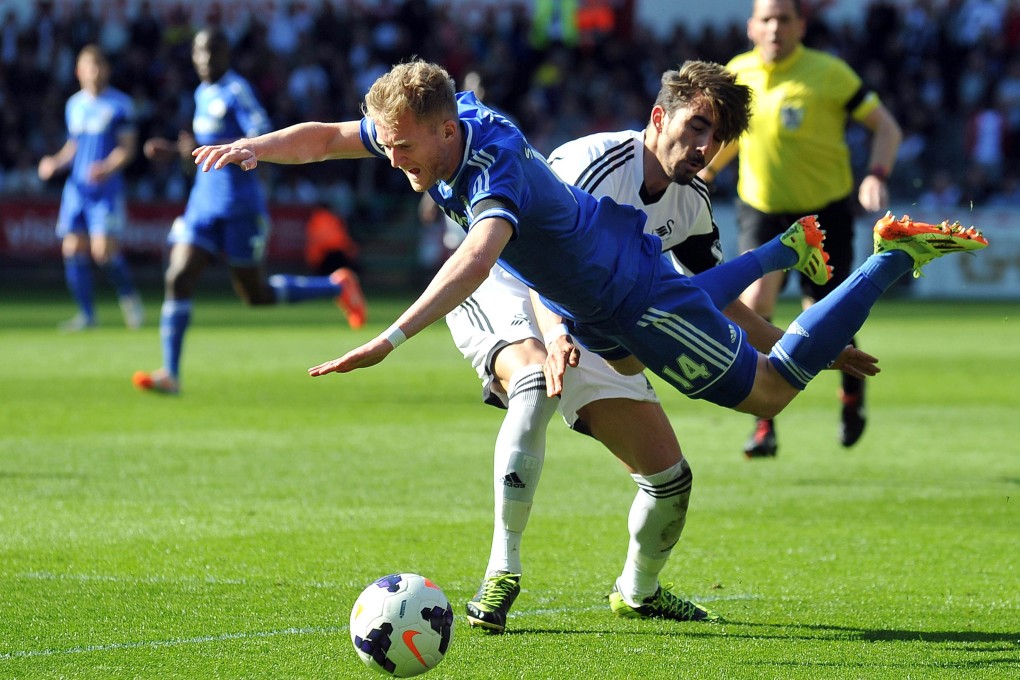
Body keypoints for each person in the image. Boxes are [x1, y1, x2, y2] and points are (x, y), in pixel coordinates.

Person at [192, 59, 986, 623]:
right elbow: (335, 135)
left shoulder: (494, 167)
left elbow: (480, 258)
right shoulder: (441, 128)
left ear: (441, 128)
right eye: (388, 144)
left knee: (770, 389)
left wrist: (394, 338)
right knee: (590, 370)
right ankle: (518, 571)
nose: (391, 158)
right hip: (599, 297)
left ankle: (888, 256)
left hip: (622, 298)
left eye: (401, 147)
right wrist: (258, 147)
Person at [444, 62, 878, 633]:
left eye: (718, 138)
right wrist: (553, 337)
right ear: (658, 117)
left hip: (600, 319)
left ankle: (638, 591)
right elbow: (546, 265)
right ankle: (502, 571)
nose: (705, 146)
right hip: (512, 291)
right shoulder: (593, 164)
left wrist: (816, 348)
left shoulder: (690, 203)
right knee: (533, 389)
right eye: (697, 127)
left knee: (670, 481)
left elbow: (717, 301)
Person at [701, 0, 904, 458]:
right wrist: (705, 175)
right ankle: (762, 423)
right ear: (752, 26)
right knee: (755, 310)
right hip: (762, 212)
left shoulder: (830, 73)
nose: (775, 28)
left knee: (828, 317)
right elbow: (729, 139)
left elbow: (887, 128)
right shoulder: (737, 73)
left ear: (801, 26)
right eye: (766, 19)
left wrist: (876, 173)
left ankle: (851, 396)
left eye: (784, 19)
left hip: (823, 215)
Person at [132, 28, 366, 396]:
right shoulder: (201, 93)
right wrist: (183, 152)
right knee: (177, 278)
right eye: (199, 53)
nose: (206, 60)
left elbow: (259, 134)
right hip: (203, 205)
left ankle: (336, 285)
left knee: (254, 295)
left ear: (226, 55)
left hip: (240, 207)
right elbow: (207, 152)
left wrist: (234, 149)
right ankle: (170, 374)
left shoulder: (236, 91)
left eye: (213, 52)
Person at [37, 44, 145, 333]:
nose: (95, 72)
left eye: (100, 66)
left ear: (106, 70)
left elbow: (128, 149)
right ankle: (87, 315)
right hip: (76, 190)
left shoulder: (120, 105)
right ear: (79, 72)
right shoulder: (74, 105)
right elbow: (74, 146)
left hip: (106, 190)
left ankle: (129, 296)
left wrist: (106, 168)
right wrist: (55, 162)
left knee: (103, 254)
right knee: (71, 249)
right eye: (89, 67)